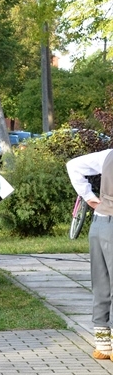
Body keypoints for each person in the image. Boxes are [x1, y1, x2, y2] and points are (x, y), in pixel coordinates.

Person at [67, 147, 113, 359]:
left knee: (101, 283)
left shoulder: (108, 155)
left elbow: (73, 165)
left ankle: (103, 345)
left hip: (100, 223)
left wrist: (89, 196)